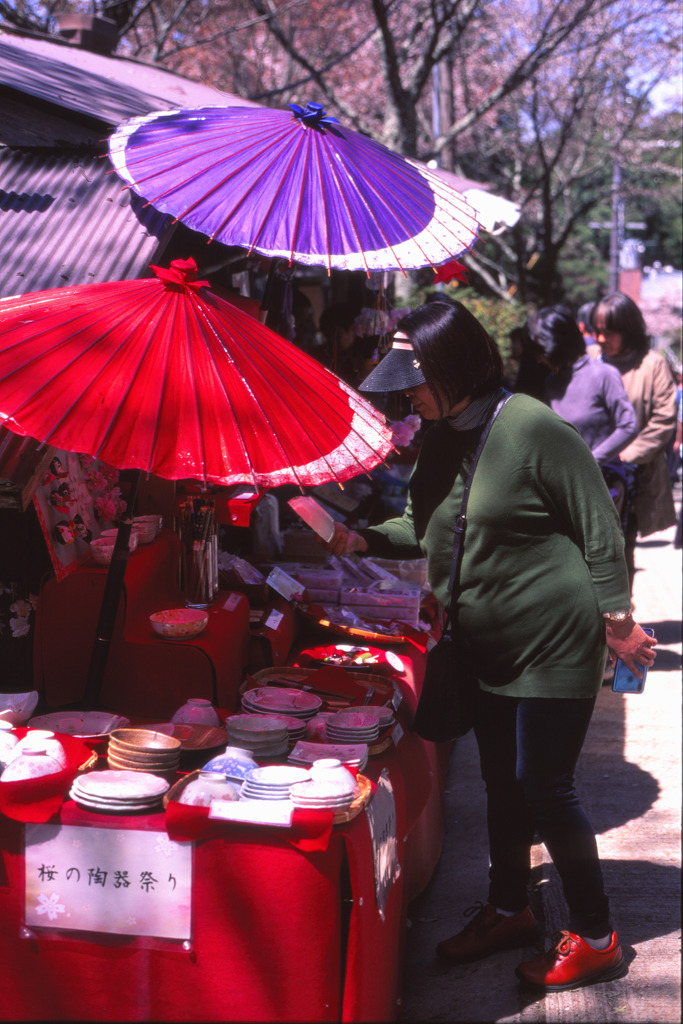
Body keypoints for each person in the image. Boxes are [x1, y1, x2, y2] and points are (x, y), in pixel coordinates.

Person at [324, 300, 657, 992]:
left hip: (553, 637)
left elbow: (597, 526)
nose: (407, 394)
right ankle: (508, 907)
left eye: (414, 380)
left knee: (544, 787)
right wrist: (356, 538)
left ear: (452, 368)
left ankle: (595, 935)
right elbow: (421, 527)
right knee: (500, 784)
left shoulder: (533, 426)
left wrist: (617, 617)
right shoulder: (440, 435)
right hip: (488, 640)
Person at [588, 292, 677, 593]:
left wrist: (626, 455)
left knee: (620, 550)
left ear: (628, 329)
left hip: (632, 475)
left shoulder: (652, 365)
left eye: (608, 332)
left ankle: (620, 624)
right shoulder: (590, 361)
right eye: (596, 331)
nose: (600, 339)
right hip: (587, 470)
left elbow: (664, 419)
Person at [526, 304, 638, 465]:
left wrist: (589, 463)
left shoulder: (603, 375)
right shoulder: (551, 382)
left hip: (600, 480)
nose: (538, 360)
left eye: (541, 352)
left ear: (558, 345)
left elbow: (628, 426)